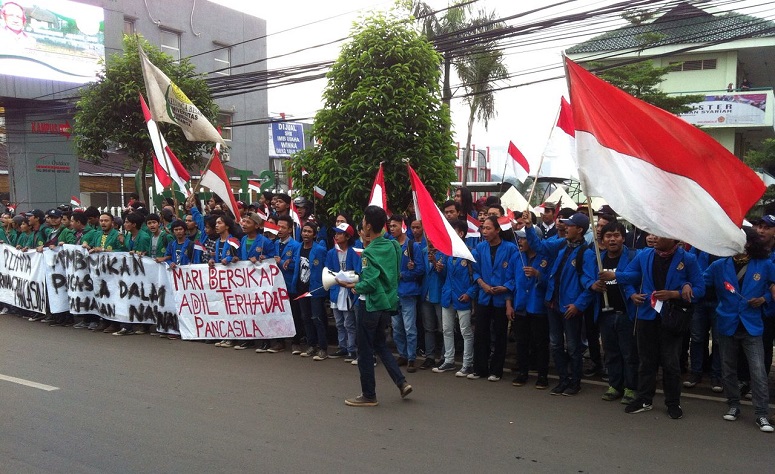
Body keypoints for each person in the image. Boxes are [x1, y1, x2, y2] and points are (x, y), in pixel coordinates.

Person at [600, 236, 704, 420]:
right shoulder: (645, 255)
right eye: (653, 233)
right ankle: (644, 399)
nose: (654, 237)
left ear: (674, 239)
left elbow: (700, 288)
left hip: (672, 317)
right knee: (646, 360)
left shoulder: (688, 259)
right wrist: (631, 293)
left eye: (660, 234)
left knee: (670, 363)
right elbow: (631, 277)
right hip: (647, 315)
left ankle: (673, 402)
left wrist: (675, 294)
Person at [339, 205, 412, 407]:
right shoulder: (394, 246)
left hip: (369, 305)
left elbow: (369, 283)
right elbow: (394, 274)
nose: (362, 224)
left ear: (369, 226)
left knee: (364, 351)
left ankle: (369, 394)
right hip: (387, 304)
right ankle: (401, 381)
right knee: (380, 344)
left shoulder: (368, 253)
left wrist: (353, 285)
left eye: (363, 221)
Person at [703, 228, 774, 432]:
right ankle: (733, 405)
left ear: (749, 243)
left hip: (752, 326)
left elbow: (773, 287)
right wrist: (686, 286)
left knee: (758, 372)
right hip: (727, 324)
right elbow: (701, 282)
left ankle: (762, 414)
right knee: (728, 369)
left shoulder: (765, 264)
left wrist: (765, 298)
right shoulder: (719, 265)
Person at [525, 212, 596, 396]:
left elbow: (589, 284)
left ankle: (575, 382)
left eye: (569, 225)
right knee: (555, 344)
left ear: (579, 230)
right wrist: (529, 227)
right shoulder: (562, 245)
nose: (565, 227)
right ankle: (563, 379)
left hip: (569, 307)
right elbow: (538, 246)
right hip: (552, 304)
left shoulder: (586, 253)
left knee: (573, 346)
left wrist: (578, 305)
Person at [590, 221, 639, 404]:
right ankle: (614, 385)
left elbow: (638, 275)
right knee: (611, 352)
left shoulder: (634, 256)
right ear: (602, 240)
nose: (612, 239)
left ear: (623, 238)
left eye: (616, 235)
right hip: (605, 313)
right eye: (608, 236)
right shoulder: (598, 258)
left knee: (629, 353)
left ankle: (630, 387)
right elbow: (586, 277)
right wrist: (593, 284)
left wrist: (616, 276)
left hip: (626, 312)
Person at [470, 215, 517, 382]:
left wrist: (506, 288)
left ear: (498, 230)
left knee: (499, 335)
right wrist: (482, 283)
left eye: (488, 228)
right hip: (483, 297)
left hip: (501, 298)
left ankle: (496, 370)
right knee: (481, 333)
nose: (485, 231)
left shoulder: (511, 249)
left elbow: (514, 274)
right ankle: (479, 369)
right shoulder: (480, 248)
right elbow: (474, 271)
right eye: (483, 228)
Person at [508, 228, 551, 389]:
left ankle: (542, 375)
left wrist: (538, 274)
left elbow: (551, 282)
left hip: (538, 306)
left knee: (540, 343)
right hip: (520, 305)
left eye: (524, 238)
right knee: (521, 342)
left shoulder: (546, 257)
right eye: (519, 238)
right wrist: (509, 304)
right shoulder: (517, 257)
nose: (520, 241)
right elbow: (510, 281)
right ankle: (522, 373)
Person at [433, 219, 477, 376]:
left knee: (465, 331)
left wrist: (470, 294)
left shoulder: (470, 253)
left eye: (454, 231)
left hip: (462, 297)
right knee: (447, 330)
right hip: (448, 296)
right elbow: (443, 274)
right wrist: (439, 268)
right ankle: (449, 360)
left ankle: (467, 363)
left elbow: (476, 278)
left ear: (461, 233)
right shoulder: (447, 253)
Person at [389, 214, 424, 373]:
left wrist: (404, 274)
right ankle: (402, 354)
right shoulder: (390, 245)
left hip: (408, 292)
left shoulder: (412, 246)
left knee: (409, 327)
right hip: (393, 293)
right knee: (396, 328)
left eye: (394, 226)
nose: (392, 229)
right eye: (390, 226)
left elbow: (420, 269)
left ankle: (411, 357)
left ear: (402, 226)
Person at [326, 222, 360, 362]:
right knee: (339, 322)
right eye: (336, 233)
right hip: (336, 290)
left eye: (339, 233)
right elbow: (328, 271)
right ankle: (342, 347)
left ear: (347, 236)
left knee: (349, 322)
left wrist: (347, 281)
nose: (336, 235)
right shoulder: (331, 252)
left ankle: (352, 349)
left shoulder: (354, 252)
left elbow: (357, 272)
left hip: (349, 291)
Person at [295, 222, 329, 360]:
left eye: (309, 231)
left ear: (314, 234)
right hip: (301, 288)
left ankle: (323, 348)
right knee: (306, 318)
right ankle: (311, 345)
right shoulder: (299, 248)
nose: (306, 234)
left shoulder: (320, 250)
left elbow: (326, 268)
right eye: (304, 231)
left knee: (317, 318)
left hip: (315, 289)